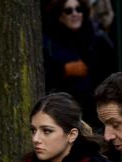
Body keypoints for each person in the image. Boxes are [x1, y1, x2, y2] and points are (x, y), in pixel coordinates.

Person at [41, 0, 114, 128]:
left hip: (93, 110)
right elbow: (45, 75)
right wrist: (64, 70)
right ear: (60, 15)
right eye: (68, 11)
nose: (75, 14)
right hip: (62, 110)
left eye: (78, 9)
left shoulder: (96, 39)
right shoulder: (49, 43)